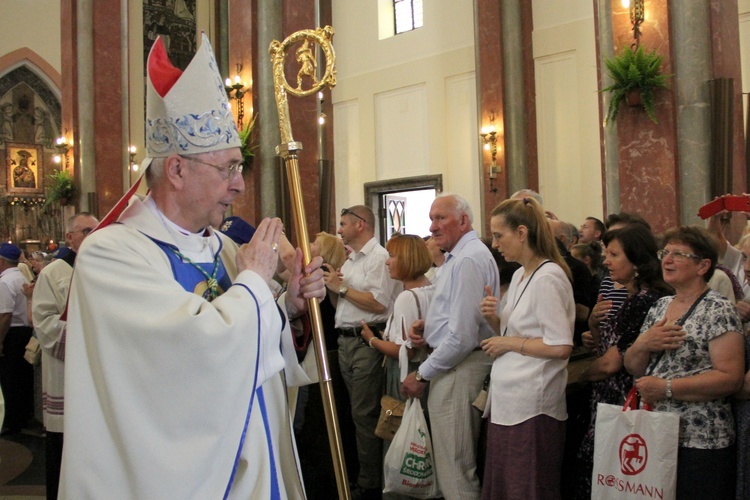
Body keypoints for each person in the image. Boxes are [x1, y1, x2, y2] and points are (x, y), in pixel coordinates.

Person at [59, 34, 326, 498]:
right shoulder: (112, 253)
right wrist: (258, 282)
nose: (240, 185)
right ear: (178, 171)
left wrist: (290, 306)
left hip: (252, 466)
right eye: (228, 169)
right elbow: (192, 354)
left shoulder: (223, 248)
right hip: (168, 477)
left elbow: (245, 341)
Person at [624, 226, 745, 499]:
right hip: (655, 432)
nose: (666, 260)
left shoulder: (718, 308)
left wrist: (665, 388)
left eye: (677, 254)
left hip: (699, 440)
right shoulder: (659, 306)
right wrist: (643, 344)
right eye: (664, 253)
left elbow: (730, 377)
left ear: (703, 265)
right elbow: (633, 366)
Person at [402, 193, 499, 499]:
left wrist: (421, 374)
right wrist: (428, 328)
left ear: (464, 221)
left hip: (460, 367)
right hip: (455, 365)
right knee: (452, 465)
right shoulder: (459, 256)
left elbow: (462, 336)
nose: (432, 227)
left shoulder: (468, 258)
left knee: (455, 469)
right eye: (431, 219)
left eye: (440, 218)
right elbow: (455, 315)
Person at [479, 197, 574, 499]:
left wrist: (507, 342)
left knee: (528, 487)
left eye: (498, 235)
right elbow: (511, 332)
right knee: (507, 486)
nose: (494, 245)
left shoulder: (548, 278)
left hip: (533, 403)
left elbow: (560, 346)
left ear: (521, 233)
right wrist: (493, 317)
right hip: (509, 399)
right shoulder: (520, 274)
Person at [574, 225, 672, 498]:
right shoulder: (632, 297)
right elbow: (608, 345)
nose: (606, 261)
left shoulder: (644, 300)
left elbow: (610, 363)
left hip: (623, 402)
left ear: (637, 262)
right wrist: (594, 325)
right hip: (613, 400)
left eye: (614, 255)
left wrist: (581, 376)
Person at [326, 205, 400, 499]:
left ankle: (370, 484)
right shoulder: (352, 260)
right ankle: (364, 476)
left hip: (366, 341)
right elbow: (342, 307)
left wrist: (341, 288)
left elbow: (378, 304)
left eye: (343, 224)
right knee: (356, 413)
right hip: (346, 339)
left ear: (360, 225)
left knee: (365, 413)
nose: (339, 229)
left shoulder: (378, 257)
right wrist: (333, 286)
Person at [32, 212, 98, 500]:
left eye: (98, 230)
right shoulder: (53, 272)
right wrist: (89, 337)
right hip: (66, 372)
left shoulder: (106, 268)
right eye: (86, 231)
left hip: (99, 376)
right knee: (63, 455)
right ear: (70, 238)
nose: (93, 235)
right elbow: (43, 323)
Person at [0, 243, 33, 435]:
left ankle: (11, 421)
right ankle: (22, 416)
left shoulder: (5, 282)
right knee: (21, 377)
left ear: (2, 261)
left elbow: (5, 315)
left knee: (9, 379)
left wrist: (0, 341)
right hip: (23, 332)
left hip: (12, 334)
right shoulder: (20, 276)